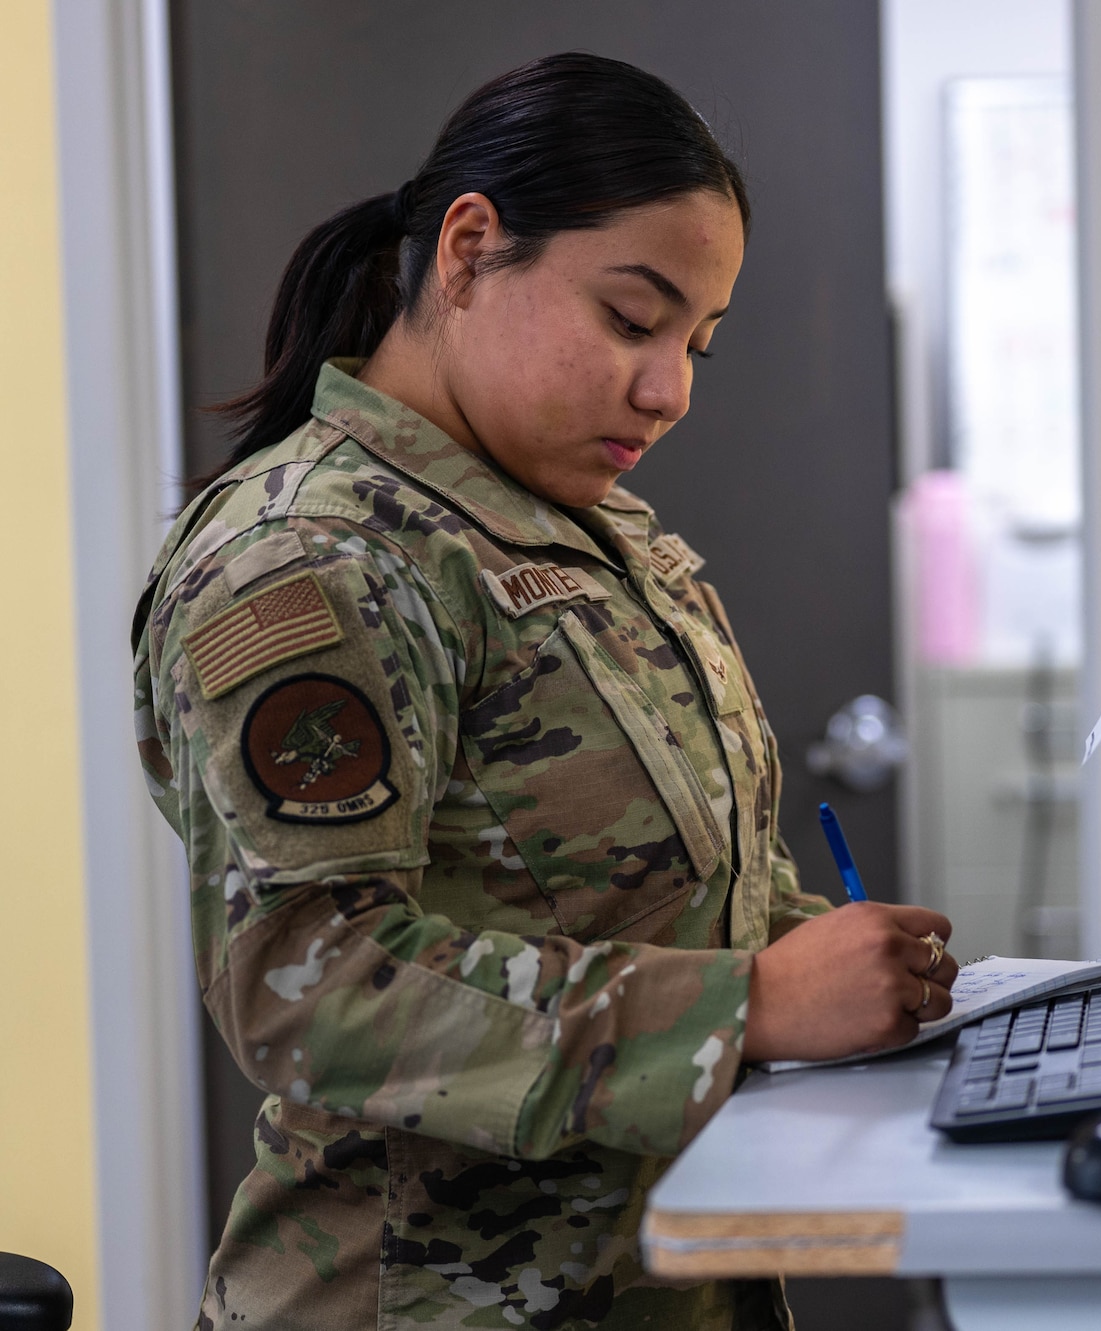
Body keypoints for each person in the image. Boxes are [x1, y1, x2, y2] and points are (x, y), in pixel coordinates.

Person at [132, 52, 958, 1331]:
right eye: (631, 320)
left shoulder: (580, 530)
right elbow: (312, 983)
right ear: (469, 250)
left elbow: (654, 895)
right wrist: (755, 1005)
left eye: (696, 342)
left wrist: (858, 968)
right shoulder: (311, 555)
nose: (669, 389)